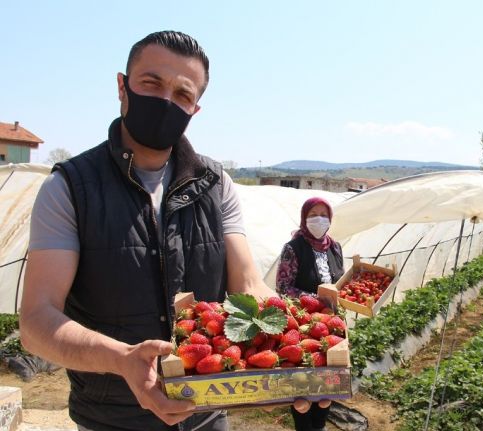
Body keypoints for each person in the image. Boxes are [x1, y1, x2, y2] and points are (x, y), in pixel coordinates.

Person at [18, 30, 312, 431]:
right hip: (113, 419)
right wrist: (121, 359)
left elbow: (247, 283)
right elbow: (36, 322)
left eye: (182, 95)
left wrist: (297, 348)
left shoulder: (215, 183)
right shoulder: (70, 188)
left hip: (207, 411)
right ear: (122, 87)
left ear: (194, 109)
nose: (165, 102)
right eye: (151, 84)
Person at [276, 197, 344, 431]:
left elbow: (340, 282)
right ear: (304, 218)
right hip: (303, 326)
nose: (319, 219)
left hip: (332, 327)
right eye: (313, 214)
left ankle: (320, 426)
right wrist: (318, 299)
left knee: (326, 387)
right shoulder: (293, 248)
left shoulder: (335, 247)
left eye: (324, 215)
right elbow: (283, 288)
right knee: (303, 390)